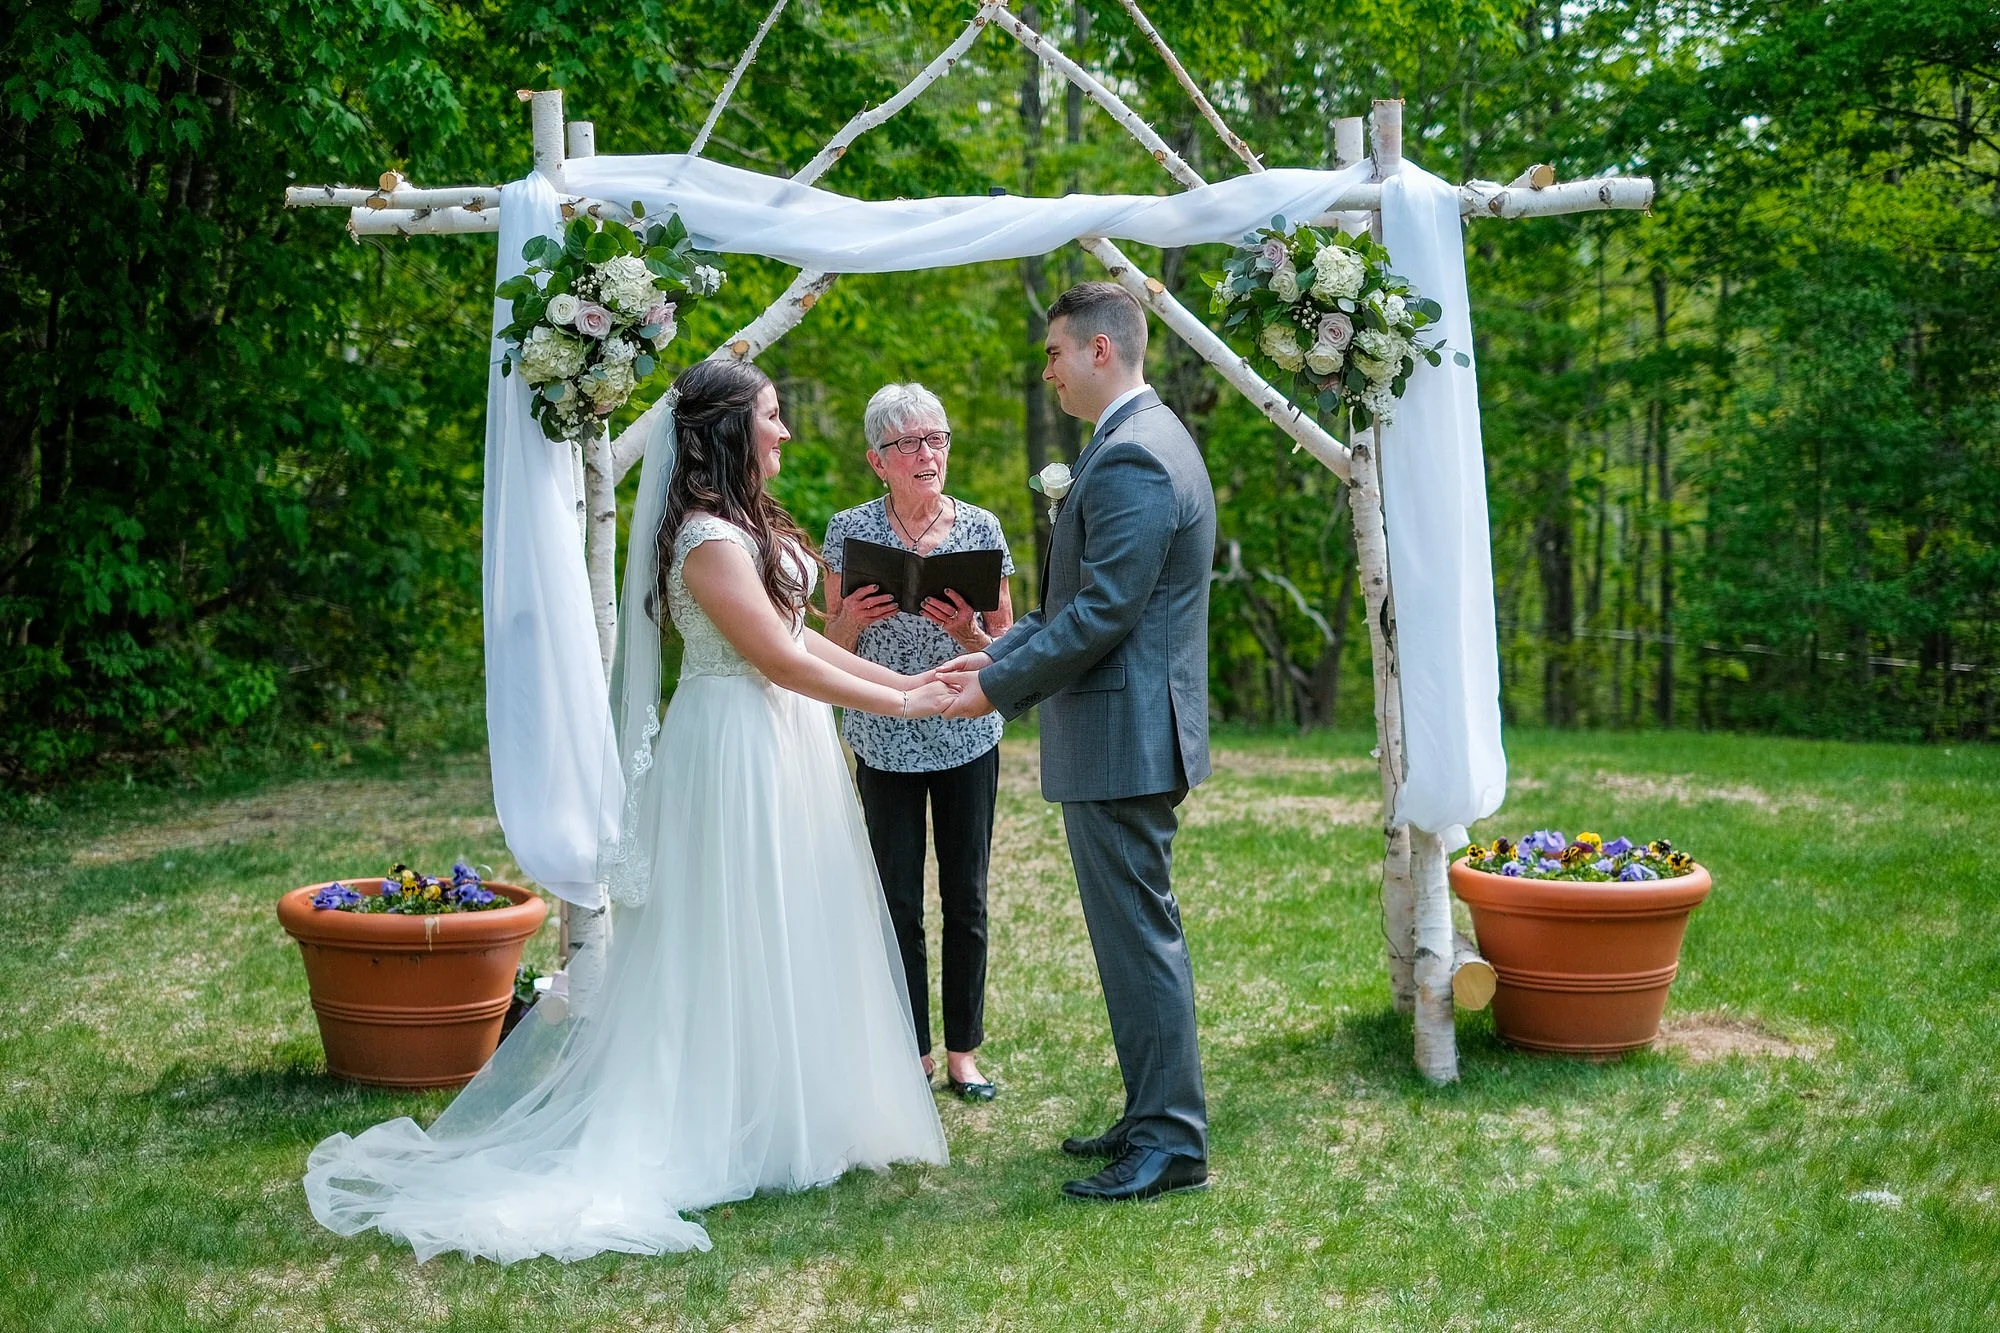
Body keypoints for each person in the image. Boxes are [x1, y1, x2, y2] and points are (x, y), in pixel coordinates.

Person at [304, 360, 956, 1263]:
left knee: (792, 922)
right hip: (732, 749)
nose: (786, 433)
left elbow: (806, 637)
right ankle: (725, 1118)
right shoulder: (705, 539)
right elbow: (774, 657)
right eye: (773, 417)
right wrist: (907, 707)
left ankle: (795, 1110)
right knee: (729, 932)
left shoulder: (750, 523)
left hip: (786, 744)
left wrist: (912, 680)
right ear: (732, 430)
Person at [939, 281, 1215, 1204]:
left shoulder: (1136, 454)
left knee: (1140, 941)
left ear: (1103, 350)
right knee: (1129, 939)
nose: (1046, 368)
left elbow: (1102, 613)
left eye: (1055, 351)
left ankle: (1172, 1141)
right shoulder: (1130, 440)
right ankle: (1149, 1117)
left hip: (1125, 734)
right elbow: (1070, 607)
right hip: (1119, 730)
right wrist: (987, 657)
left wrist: (991, 690)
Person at [823, 383, 1016, 1102]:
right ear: (879, 460)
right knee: (896, 898)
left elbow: (1008, 643)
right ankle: (913, 1053)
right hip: (883, 735)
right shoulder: (847, 530)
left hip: (966, 730)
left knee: (966, 896)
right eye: (909, 443)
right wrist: (849, 621)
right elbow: (824, 642)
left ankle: (965, 1050)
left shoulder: (982, 529)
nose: (927, 454)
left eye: (936, 438)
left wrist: (970, 636)